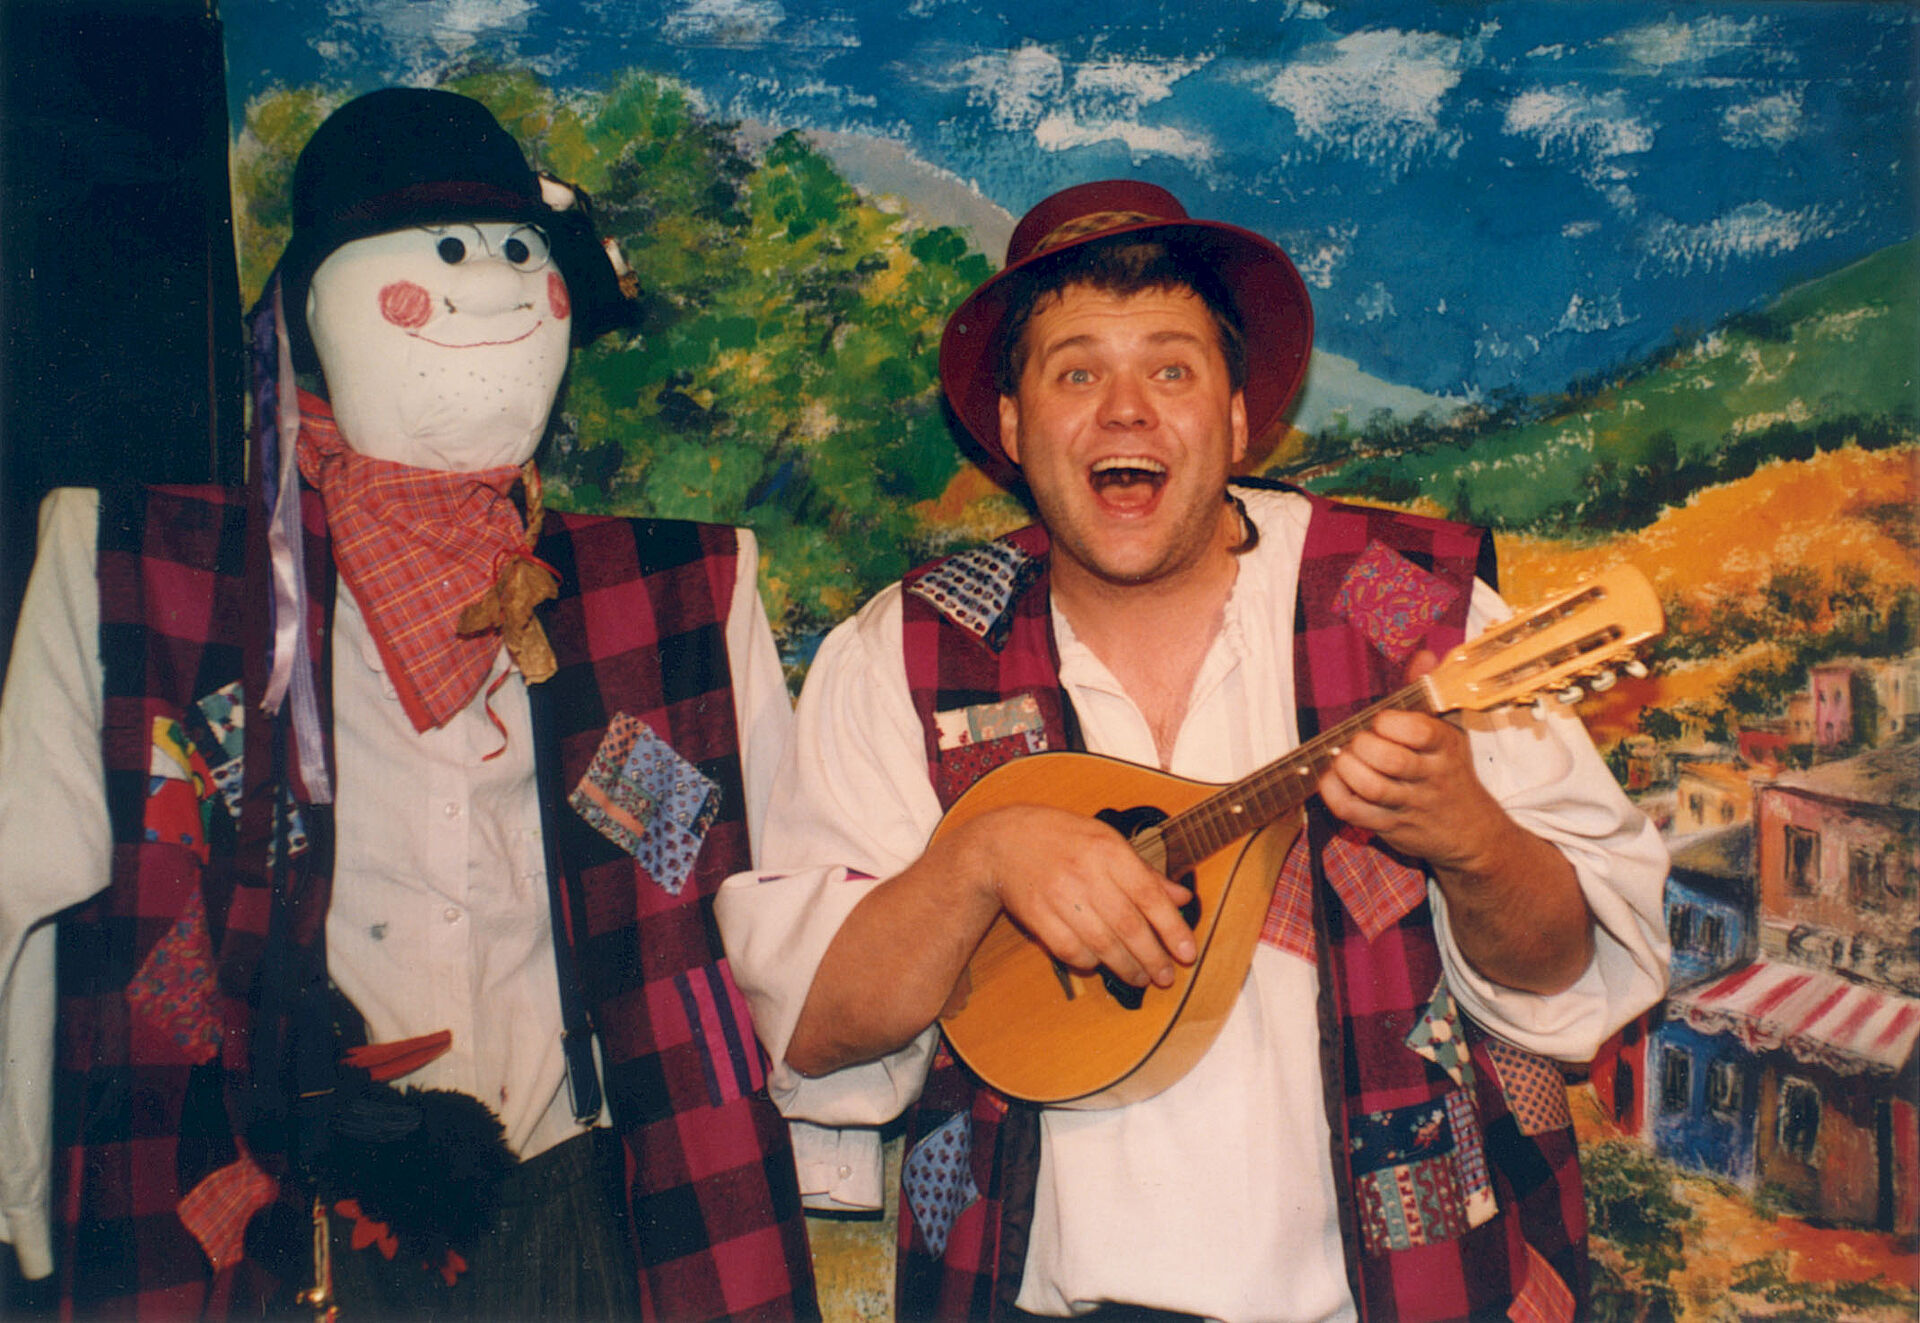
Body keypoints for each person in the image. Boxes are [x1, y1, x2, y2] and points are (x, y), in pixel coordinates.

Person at [715, 180, 1669, 1322]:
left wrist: (1472, 841)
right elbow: (816, 1022)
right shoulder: (907, 647)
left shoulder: (1414, 611)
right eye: (1076, 372)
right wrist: (980, 862)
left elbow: (1561, 974)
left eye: (1171, 369)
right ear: (1014, 427)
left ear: (1235, 416)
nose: (1126, 411)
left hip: (1397, 1296)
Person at [0, 89, 816, 1319]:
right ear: (322, 314)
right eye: (441, 252)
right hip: (268, 1219)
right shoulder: (136, 567)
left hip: (588, 1204)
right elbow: (22, 883)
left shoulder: (687, 590)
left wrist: (813, 1156)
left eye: (509, 251)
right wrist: (21, 1199)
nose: (484, 286)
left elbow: (771, 908)